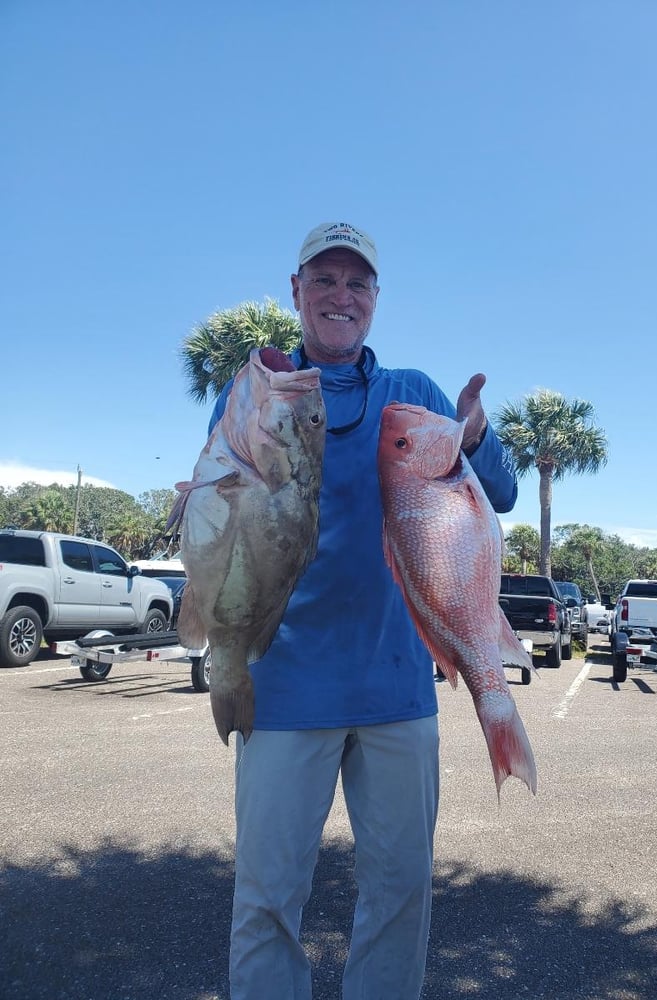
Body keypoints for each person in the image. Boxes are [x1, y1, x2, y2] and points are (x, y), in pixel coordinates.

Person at [208, 222, 519, 1000]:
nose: (340, 295)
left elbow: (503, 493)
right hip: (282, 688)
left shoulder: (413, 394)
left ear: (376, 299)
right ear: (296, 291)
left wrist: (476, 439)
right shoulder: (256, 385)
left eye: (357, 282)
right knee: (267, 898)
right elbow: (221, 514)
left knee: (401, 893)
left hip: (398, 691)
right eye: (325, 280)